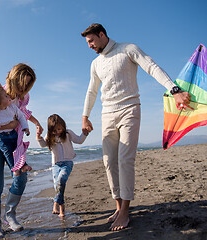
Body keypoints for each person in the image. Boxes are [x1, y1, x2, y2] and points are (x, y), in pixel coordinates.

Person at [80, 23, 191, 231]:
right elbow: (91, 91)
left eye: (91, 41)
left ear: (102, 35)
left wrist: (174, 90)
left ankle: (125, 211)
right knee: (109, 162)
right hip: (107, 114)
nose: (89, 46)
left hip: (130, 108)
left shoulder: (128, 49)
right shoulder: (95, 64)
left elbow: (152, 66)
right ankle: (118, 205)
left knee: (125, 159)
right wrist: (85, 116)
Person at [0, 63, 43, 239]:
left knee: (21, 176)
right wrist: (11, 124)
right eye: (22, 83)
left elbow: (23, 112)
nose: (24, 87)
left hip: (13, 139)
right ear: (14, 79)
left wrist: (36, 123)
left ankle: (10, 214)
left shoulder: (24, 97)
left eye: (28, 84)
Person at [37, 114, 88, 217]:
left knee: (62, 179)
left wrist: (85, 133)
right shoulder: (50, 136)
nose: (57, 132)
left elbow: (79, 140)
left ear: (63, 126)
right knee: (58, 186)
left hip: (67, 162)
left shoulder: (68, 133)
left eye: (59, 129)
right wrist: (39, 137)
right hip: (55, 165)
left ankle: (55, 203)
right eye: (54, 131)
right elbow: (43, 144)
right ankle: (62, 209)